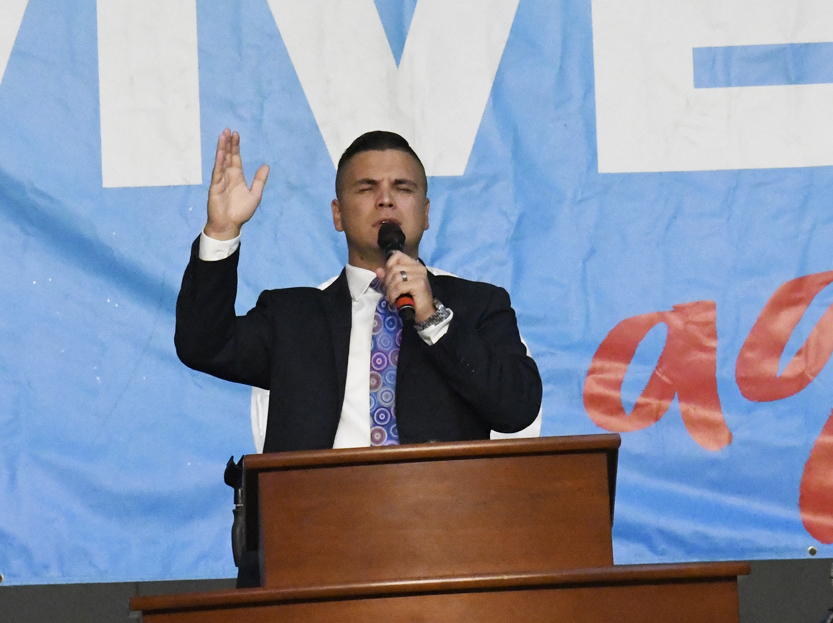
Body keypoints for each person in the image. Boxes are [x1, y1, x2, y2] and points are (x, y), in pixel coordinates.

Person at [175, 129, 542, 453]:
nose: (385, 200)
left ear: (426, 213)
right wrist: (221, 232)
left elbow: (517, 408)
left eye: (403, 188)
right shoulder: (291, 316)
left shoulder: (478, 306)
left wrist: (433, 319)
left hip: (437, 505)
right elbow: (203, 345)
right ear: (337, 214)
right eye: (367, 188)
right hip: (318, 506)